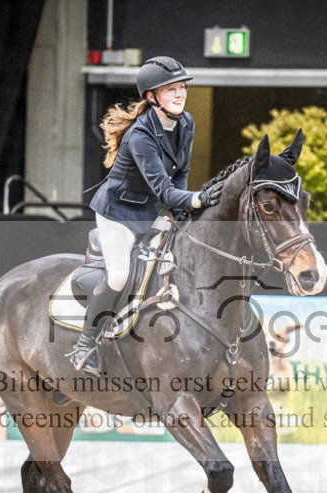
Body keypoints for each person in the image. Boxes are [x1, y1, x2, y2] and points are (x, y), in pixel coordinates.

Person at [69, 56, 224, 375]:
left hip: (153, 210)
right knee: (119, 276)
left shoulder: (186, 123)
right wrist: (197, 199)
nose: (180, 94)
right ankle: (85, 346)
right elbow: (165, 190)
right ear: (152, 97)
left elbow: (181, 174)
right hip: (119, 214)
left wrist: (185, 207)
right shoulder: (141, 135)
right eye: (171, 90)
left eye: (182, 87)